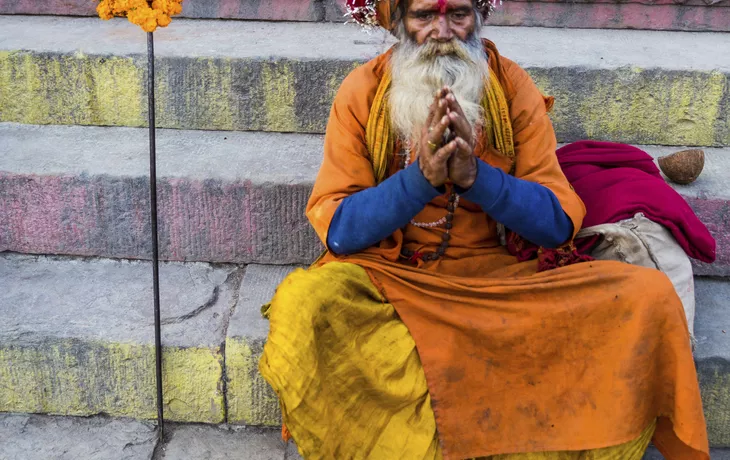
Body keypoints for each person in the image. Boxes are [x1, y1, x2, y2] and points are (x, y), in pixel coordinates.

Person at [259, 0, 710, 458]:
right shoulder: (363, 91)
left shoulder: (511, 85)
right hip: (398, 280)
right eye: (423, 16)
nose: (442, 31)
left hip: (508, 280)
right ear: (396, 24)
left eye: (457, 14)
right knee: (305, 304)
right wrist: (421, 180)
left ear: (479, 17)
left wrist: (477, 177)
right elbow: (339, 231)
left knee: (648, 296)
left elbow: (555, 226)